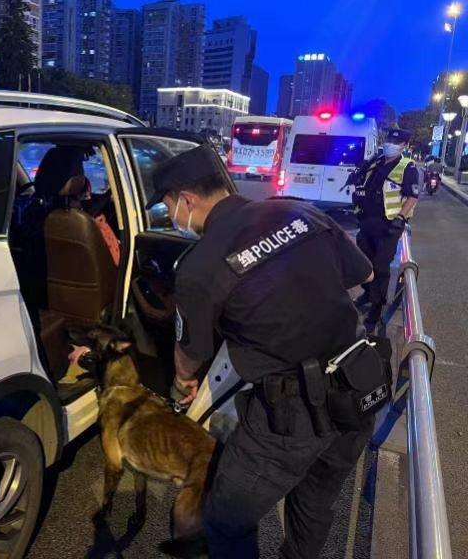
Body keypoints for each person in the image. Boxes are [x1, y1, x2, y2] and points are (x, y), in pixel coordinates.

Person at [145, 144, 375, 559]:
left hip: (290, 414)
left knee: (225, 518)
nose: (171, 217)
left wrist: (183, 381)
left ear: (187, 200)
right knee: (314, 503)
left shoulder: (199, 266)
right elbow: (365, 274)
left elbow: (190, 354)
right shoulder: (299, 211)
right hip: (359, 386)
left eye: (167, 207)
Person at [352, 129, 420, 331]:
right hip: (367, 222)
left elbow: (412, 197)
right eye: (389, 140)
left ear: (405, 146)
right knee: (364, 263)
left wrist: (400, 218)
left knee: (380, 267)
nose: (391, 144)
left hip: (389, 225)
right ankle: (367, 293)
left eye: (397, 142)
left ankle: (376, 307)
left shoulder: (407, 167)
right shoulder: (376, 162)